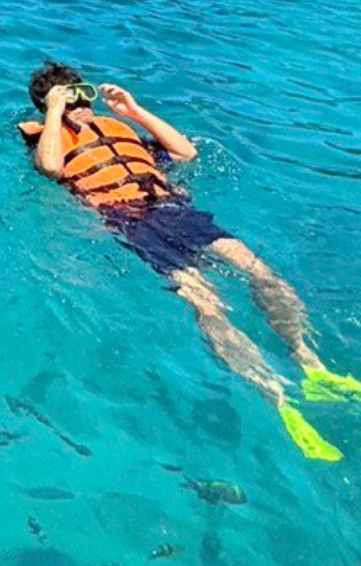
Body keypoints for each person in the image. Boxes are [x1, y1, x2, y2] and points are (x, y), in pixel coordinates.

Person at [20, 62, 359, 461]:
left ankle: (309, 362)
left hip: (172, 208)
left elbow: (185, 153)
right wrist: (55, 111)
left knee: (259, 270)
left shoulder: (117, 127)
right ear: (50, 105)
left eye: (82, 94)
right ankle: (279, 398)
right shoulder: (48, 140)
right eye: (69, 98)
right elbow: (50, 168)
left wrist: (132, 110)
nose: (81, 104)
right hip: (130, 221)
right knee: (205, 300)